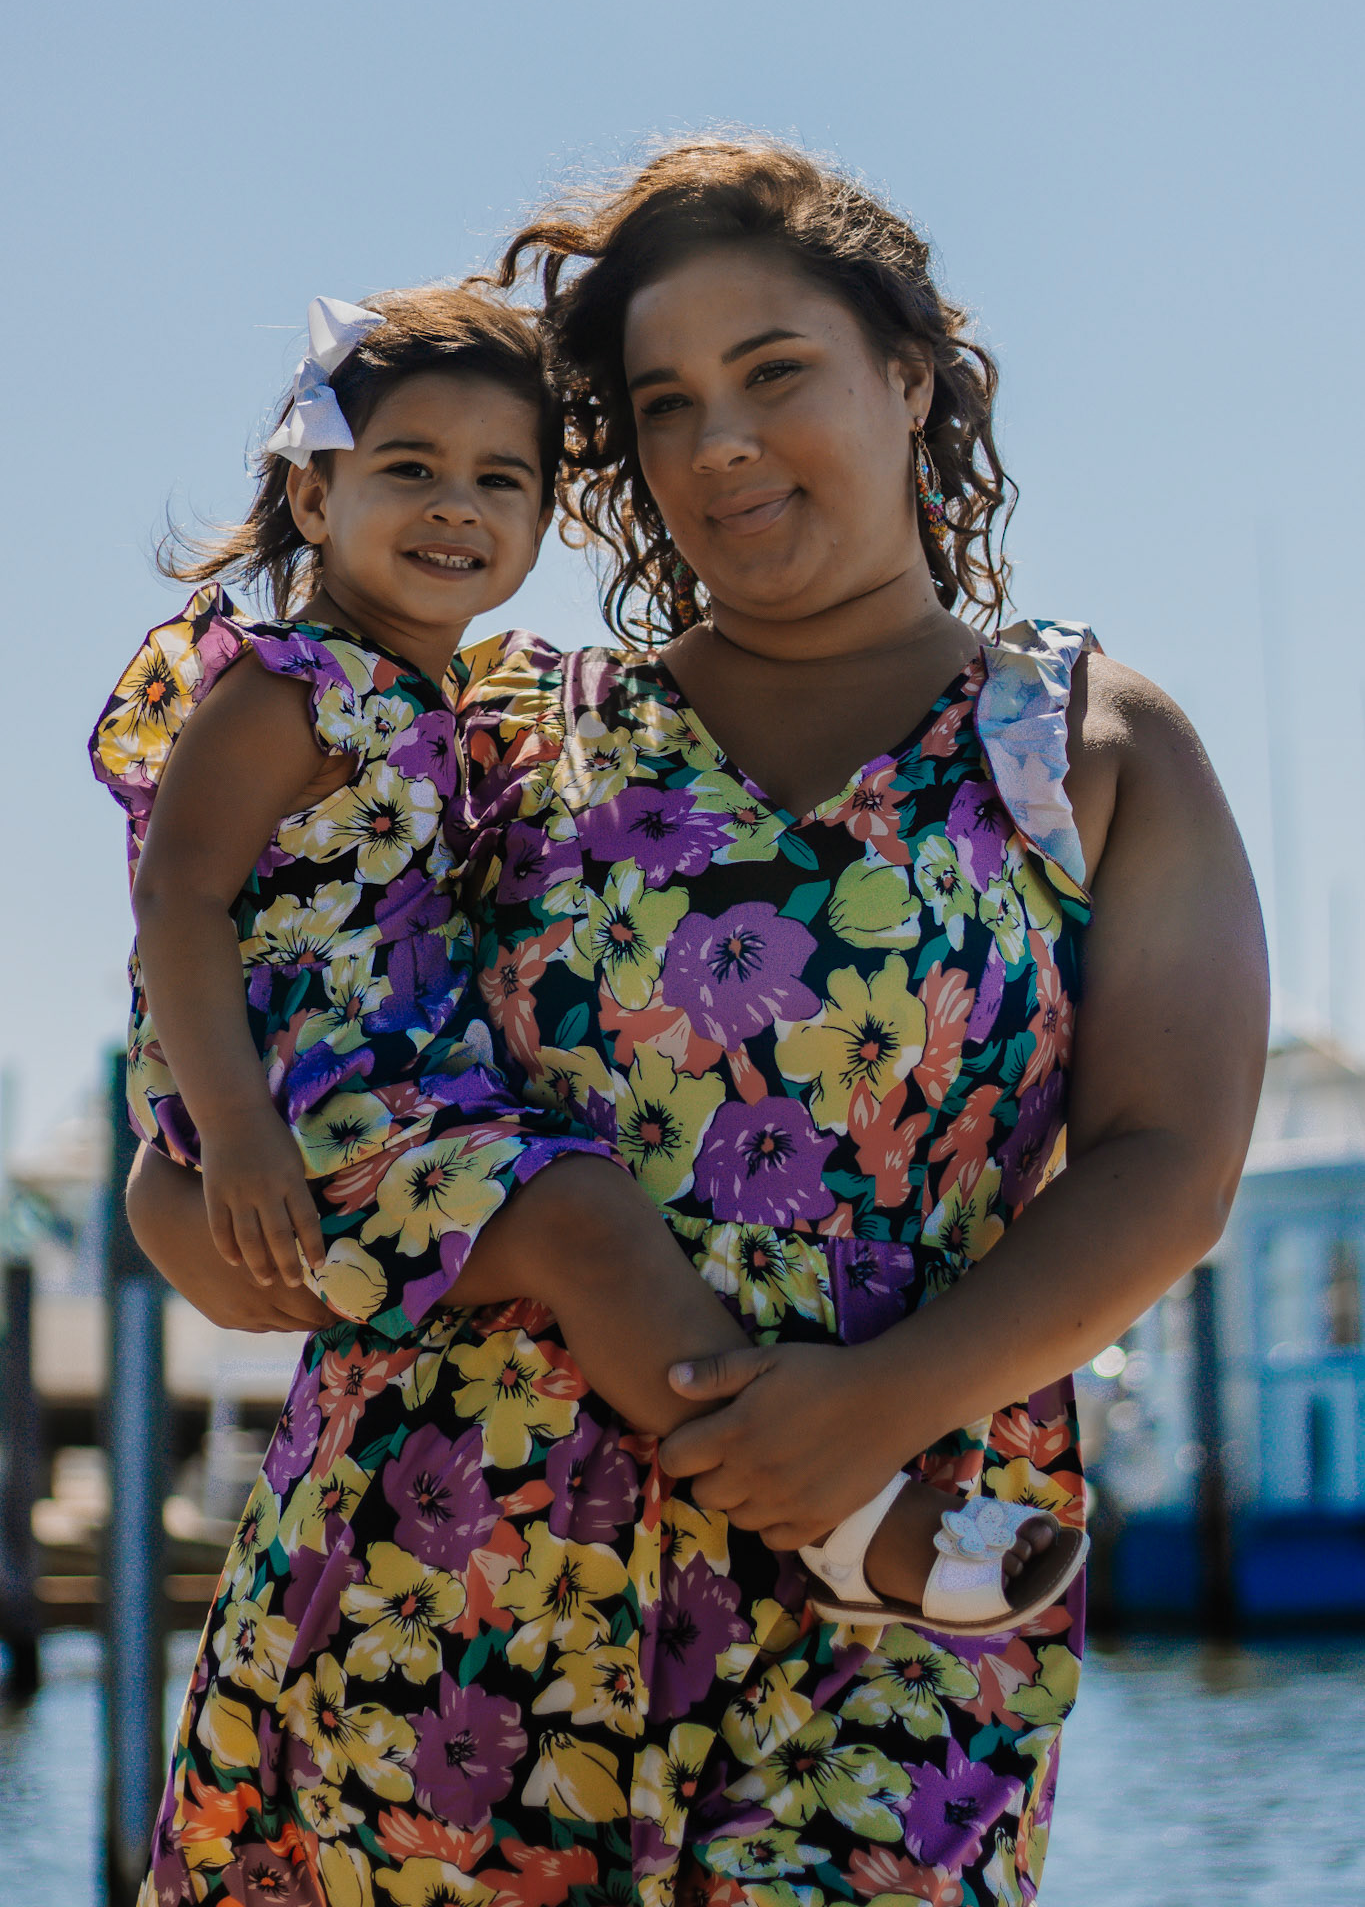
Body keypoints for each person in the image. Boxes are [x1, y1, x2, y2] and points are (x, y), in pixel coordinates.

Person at [127, 140, 1267, 1907]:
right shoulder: (489, 730)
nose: (717, 441)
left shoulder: (1084, 748)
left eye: (773, 372)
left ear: (909, 378)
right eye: (663, 404)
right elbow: (238, 1059)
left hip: (889, 1598)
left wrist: (874, 1408)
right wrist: (197, 1211)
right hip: (435, 1612)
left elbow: (1167, 1163)